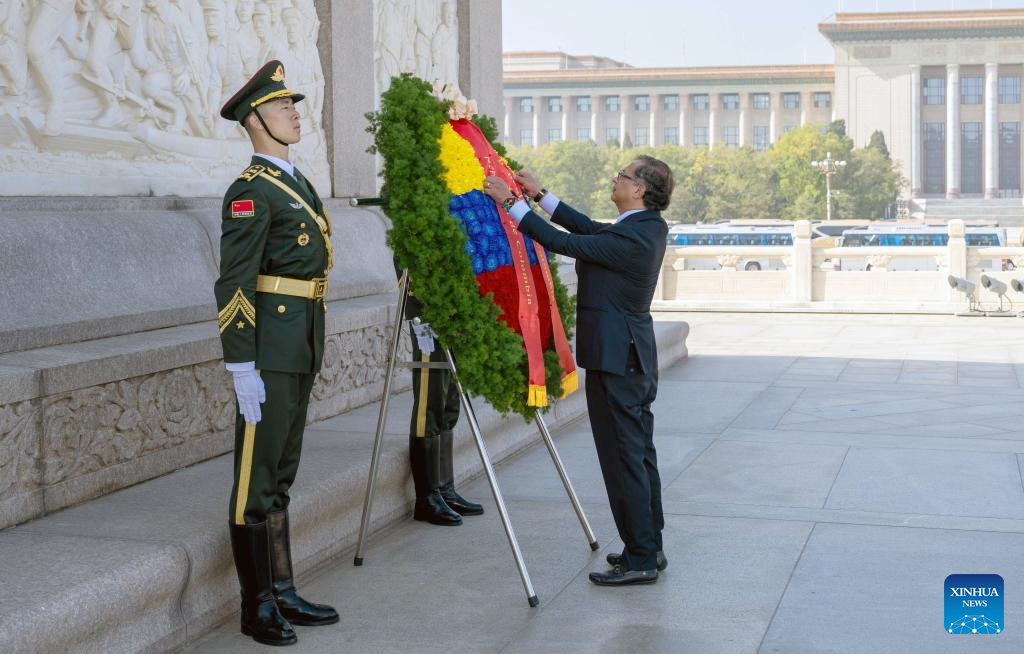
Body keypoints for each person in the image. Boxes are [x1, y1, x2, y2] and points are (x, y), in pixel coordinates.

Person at [482, 156, 673, 587]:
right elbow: (587, 228)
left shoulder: (635, 236)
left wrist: (511, 202)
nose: (616, 179)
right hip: (625, 358)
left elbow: (564, 242)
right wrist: (540, 195)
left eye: (623, 175)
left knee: (624, 459)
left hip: (618, 360)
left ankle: (642, 557)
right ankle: (648, 546)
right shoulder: (642, 227)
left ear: (640, 190)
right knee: (638, 456)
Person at [215, 59, 338, 646]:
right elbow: (234, 281)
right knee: (255, 479)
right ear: (254, 119)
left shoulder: (294, 180)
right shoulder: (250, 190)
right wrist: (240, 362)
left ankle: (282, 589)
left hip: (300, 341)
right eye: (281, 105)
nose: (294, 113)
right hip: (268, 348)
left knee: (282, 472)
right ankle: (256, 606)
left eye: (293, 104)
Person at [399, 274, 484, 526]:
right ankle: (426, 498)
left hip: (455, 309)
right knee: (430, 401)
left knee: (449, 401)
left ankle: (444, 488)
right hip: (429, 314)